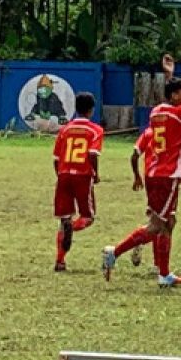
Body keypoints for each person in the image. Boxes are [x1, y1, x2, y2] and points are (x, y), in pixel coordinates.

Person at [102, 54, 181, 287]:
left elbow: (169, 100)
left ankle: (164, 275)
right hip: (167, 176)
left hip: (154, 173)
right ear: (175, 96)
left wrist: (170, 75)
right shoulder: (178, 114)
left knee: (168, 222)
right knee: (157, 225)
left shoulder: (157, 112)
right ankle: (115, 252)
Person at [127, 127, 181, 270]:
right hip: (168, 181)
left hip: (151, 178)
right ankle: (136, 244)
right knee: (165, 223)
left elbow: (135, 154)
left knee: (160, 221)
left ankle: (156, 262)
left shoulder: (150, 131)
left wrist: (137, 176)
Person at [52, 92, 104, 271]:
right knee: (88, 217)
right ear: (91, 110)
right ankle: (71, 228)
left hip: (64, 174)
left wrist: (60, 174)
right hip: (82, 175)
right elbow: (92, 154)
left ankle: (60, 260)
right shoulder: (95, 130)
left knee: (64, 217)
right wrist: (96, 174)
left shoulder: (64, 129)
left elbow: (56, 158)